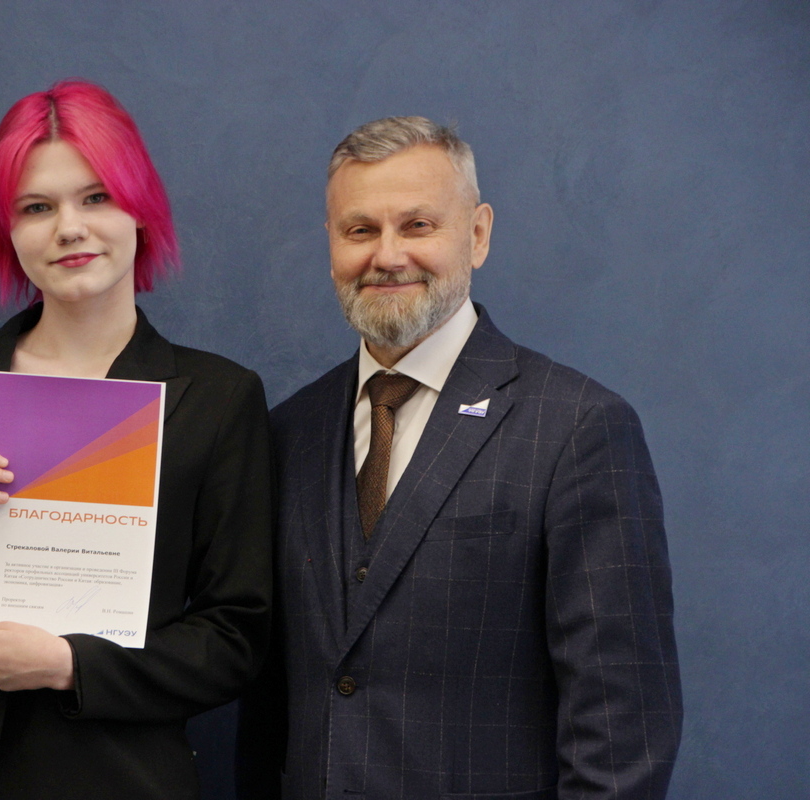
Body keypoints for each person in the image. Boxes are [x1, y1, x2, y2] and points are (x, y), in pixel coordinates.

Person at [0, 80, 272, 800]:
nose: (69, 228)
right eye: (36, 207)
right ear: (6, 231)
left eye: (96, 197)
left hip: (120, 778)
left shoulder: (218, 399)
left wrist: (72, 665)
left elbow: (236, 640)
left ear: (140, 210)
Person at [238, 117, 681, 799]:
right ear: (331, 245)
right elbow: (271, 704)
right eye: (360, 230)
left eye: (418, 226)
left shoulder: (577, 428)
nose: (388, 256)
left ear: (477, 235)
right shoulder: (289, 432)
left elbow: (623, 725)